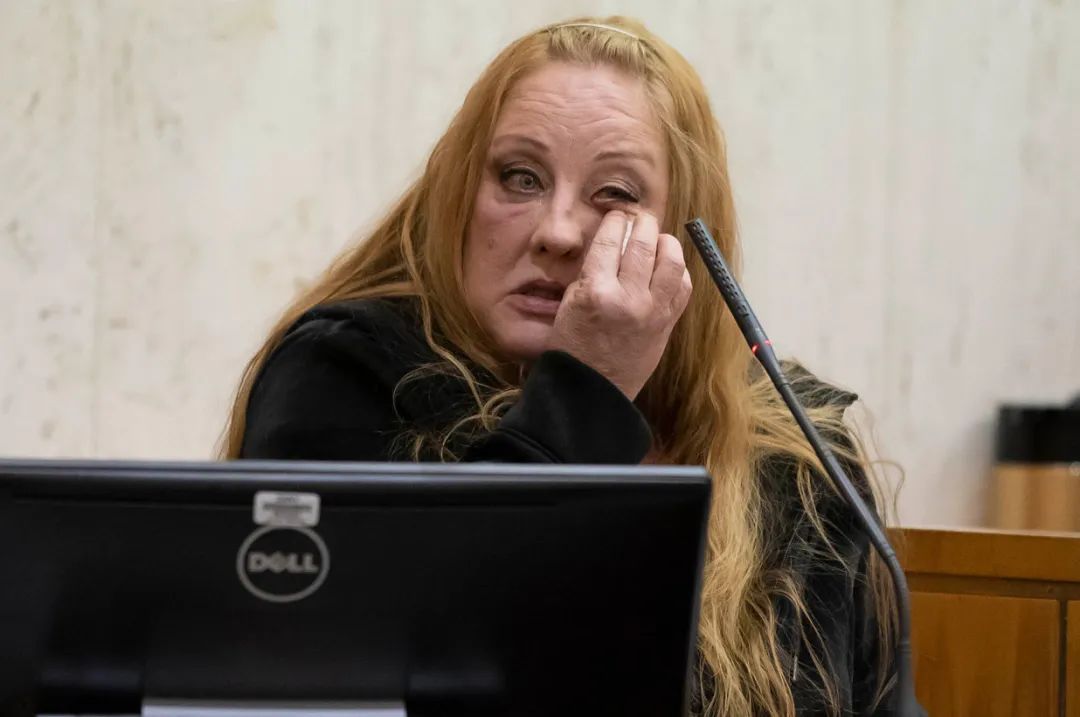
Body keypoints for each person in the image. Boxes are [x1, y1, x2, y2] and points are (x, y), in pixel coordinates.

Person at [221, 16, 901, 716]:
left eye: (616, 195)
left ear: (685, 238)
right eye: (520, 178)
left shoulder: (794, 445)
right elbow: (406, 661)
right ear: (458, 193)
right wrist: (588, 390)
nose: (557, 233)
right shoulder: (339, 373)